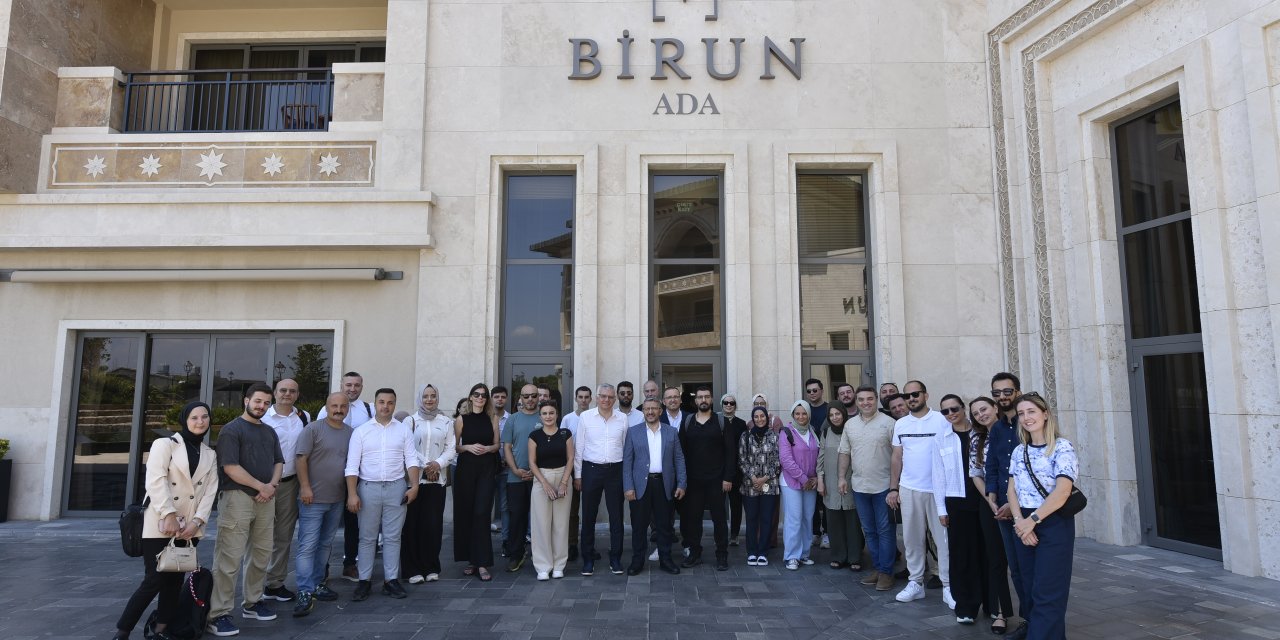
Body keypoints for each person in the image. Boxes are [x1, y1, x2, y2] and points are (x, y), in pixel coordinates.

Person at [113, 401, 218, 640]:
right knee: (154, 579)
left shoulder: (210, 454)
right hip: (160, 521)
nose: (200, 422)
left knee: (174, 581)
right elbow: (156, 480)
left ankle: (161, 630)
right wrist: (169, 514)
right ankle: (123, 630)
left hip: (189, 528)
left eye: (204, 417)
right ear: (185, 420)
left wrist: (197, 522)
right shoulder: (165, 444)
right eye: (194, 417)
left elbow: (209, 492)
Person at [208, 383, 284, 637]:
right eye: (258, 401)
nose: (261, 406)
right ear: (246, 401)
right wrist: (260, 486)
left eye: (266, 402)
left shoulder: (269, 432)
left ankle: (252, 602)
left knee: (261, 554)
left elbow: (278, 462)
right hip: (237, 498)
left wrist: (271, 486)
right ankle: (218, 614)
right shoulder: (231, 430)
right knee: (229, 559)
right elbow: (230, 467)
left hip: (266, 498)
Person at [1008, 393, 1078, 640]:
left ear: (1045, 414)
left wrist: (1032, 521)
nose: (1026, 418)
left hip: (1052, 522)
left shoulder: (1061, 447)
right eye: (1021, 413)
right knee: (1031, 589)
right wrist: (1020, 523)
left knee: (1049, 592)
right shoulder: (1019, 451)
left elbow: (1062, 492)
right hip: (1024, 524)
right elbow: (1011, 490)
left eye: (1031, 412)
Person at [345, 388, 421, 601]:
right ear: (375, 403)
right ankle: (364, 581)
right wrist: (352, 494)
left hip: (396, 487)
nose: (385, 406)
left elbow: (411, 459)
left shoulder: (403, 430)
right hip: (368, 488)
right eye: (381, 402)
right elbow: (351, 466)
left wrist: (414, 486)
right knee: (367, 537)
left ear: (394, 405)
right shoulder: (361, 431)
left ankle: (391, 580)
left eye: (390, 402)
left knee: (392, 537)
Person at [887, 380, 955, 609]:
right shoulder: (901, 424)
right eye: (907, 396)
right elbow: (897, 457)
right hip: (909, 488)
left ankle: (948, 585)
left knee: (943, 540)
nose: (911, 398)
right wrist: (894, 488)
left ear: (926, 395)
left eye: (915, 394)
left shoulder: (942, 420)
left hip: (939, 491)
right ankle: (915, 583)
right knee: (912, 539)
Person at [291, 392, 353, 617]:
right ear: (326, 407)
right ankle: (305, 591)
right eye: (334, 405)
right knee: (308, 545)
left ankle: (317, 583)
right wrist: (305, 487)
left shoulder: (350, 433)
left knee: (325, 544)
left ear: (348, 409)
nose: (339, 409)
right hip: (312, 499)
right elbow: (300, 458)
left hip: (336, 498)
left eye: (343, 406)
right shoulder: (313, 429)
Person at [838, 386, 897, 591]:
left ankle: (887, 573)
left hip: (883, 487)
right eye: (861, 399)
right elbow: (845, 452)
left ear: (877, 399)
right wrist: (841, 478)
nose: (865, 403)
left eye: (870, 399)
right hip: (860, 486)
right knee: (870, 531)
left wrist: (894, 487)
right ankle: (879, 568)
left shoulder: (889, 423)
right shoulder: (850, 425)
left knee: (885, 530)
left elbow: (899, 456)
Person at [985, 372, 1030, 637]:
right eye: (997, 393)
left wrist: (1012, 507)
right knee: (1016, 569)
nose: (1002, 397)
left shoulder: (1028, 423)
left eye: (1007, 391)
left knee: (1029, 568)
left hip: (1027, 509)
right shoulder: (999, 428)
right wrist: (992, 494)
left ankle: (1038, 621)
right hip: (1002, 507)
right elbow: (992, 464)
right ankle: (1028, 619)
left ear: (1017, 391)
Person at [317, 371, 372, 582]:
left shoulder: (369, 409)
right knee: (326, 521)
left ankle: (350, 564)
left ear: (362, 386)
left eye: (357, 385)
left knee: (353, 521)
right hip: (330, 472)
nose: (352, 389)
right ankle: (323, 567)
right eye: (348, 385)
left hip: (357, 472)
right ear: (341, 385)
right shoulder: (326, 409)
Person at [623, 397, 686, 575]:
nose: (650, 412)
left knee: (664, 525)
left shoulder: (671, 432)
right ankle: (637, 561)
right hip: (640, 485)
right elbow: (627, 462)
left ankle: (666, 560)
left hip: (664, 484)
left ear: (660, 410)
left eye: (654, 409)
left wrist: (682, 483)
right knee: (639, 526)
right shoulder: (633, 432)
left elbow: (679, 459)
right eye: (647, 409)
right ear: (643, 411)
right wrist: (628, 486)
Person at [402, 384, 457, 585]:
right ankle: (412, 569)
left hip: (437, 480)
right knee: (412, 525)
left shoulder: (446, 422)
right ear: (420, 398)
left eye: (433, 396)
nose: (429, 399)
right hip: (414, 480)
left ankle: (431, 567)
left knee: (432, 526)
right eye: (425, 396)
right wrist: (426, 465)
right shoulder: (410, 421)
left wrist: (438, 464)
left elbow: (451, 448)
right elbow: (406, 447)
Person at [937, 394, 985, 625]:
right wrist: (941, 508)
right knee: (961, 555)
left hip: (984, 500)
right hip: (956, 503)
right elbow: (938, 475)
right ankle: (965, 605)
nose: (950, 414)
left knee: (986, 553)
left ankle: (992, 603)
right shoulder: (942, 437)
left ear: (963, 408)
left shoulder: (981, 432)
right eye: (945, 411)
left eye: (954, 408)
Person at [261, 378, 309, 603]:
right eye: (283, 390)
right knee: (260, 535)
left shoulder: (303, 418)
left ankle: (274, 583)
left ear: (297, 394)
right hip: (263, 485)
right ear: (275, 393)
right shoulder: (262, 417)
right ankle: (254, 584)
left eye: (292, 391)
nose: (287, 394)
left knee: (283, 536)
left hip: (290, 484)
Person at [969, 395, 1014, 635]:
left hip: (1017, 502)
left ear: (996, 408)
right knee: (995, 560)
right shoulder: (977, 438)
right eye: (976, 413)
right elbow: (976, 473)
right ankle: (1000, 613)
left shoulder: (1012, 432)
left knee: (1020, 562)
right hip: (991, 504)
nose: (981, 415)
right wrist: (991, 501)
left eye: (984, 409)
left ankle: (1031, 611)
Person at [677, 386, 735, 571]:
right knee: (693, 519)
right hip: (693, 481)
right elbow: (681, 453)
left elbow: (731, 453)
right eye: (700, 397)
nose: (703, 399)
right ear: (695, 401)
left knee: (719, 519)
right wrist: (682, 480)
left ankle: (722, 555)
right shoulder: (687, 422)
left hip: (717, 480)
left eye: (707, 397)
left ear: (711, 400)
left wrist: (728, 477)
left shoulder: (721, 421)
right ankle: (695, 553)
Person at [574, 383, 629, 575]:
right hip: (591, 470)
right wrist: (578, 475)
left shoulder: (622, 419)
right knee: (588, 516)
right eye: (603, 396)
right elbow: (579, 447)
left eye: (610, 397)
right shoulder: (586, 417)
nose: (606, 400)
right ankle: (588, 559)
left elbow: (625, 448)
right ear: (597, 397)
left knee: (616, 517)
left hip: (615, 470)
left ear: (615, 399)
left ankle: (616, 558)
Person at [454, 383, 501, 581]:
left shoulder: (493, 418)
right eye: (477, 394)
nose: (480, 398)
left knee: (482, 512)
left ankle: (482, 562)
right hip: (466, 469)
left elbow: (497, 444)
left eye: (484, 395)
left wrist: (488, 449)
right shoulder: (461, 419)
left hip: (486, 469)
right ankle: (471, 560)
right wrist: (468, 447)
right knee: (466, 512)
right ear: (470, 397)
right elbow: (455, 447)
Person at [528, 401, 576, 580]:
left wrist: (564, 482)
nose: (548, 416)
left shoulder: (565, 433)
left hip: (563, 476)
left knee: (561, 524)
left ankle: (559, 565)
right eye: (545, 413)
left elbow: (571, 458)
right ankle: (542, 566)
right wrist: (544, 484)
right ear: (540, 416)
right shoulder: (534, 436)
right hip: (542, 478)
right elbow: (532, 462)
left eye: (551, 413)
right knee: (541, 523)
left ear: (557, 415)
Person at [817, 404, 863, 570]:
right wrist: (820, 480)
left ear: (844, 414)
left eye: (838, 413)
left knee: (853, 522)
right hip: (830, 482)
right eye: (832, 414)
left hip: (851, 481)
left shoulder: (852, 430)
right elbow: (820, 458)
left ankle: (855, 558)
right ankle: (838, 556)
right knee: (834, 522)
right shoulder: (825, 432)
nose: (835, 417)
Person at [502, 384, 541, 571]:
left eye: (534, 396)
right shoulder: (513, 419)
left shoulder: (545, 416)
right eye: (526, 396)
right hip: (516, 477)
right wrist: (516, 469)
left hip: (540, 478)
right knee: (517, 517)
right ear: (520, 398)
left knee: (540, 518)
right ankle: (516, 554)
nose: (530, 399)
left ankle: (541, 556)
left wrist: (537, 472)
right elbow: (507, 447)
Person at [778, 400, 820, 570]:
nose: (801, 417)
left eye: (804, 413)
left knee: (807, 518)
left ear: (808, 415)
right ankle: (791, 556)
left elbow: (818, 457)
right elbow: (786, 460)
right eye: (797, 414)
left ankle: (804, 554)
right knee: (794, 519)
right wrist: (804, 479)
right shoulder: (786, 432)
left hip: (811, 482)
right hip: (791, 483)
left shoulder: (812, 431)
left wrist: (816, 477)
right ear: (793, 415)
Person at [739, 406, 780, 566]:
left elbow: (777, 461)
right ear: (752, 418)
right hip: (750, 485)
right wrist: (754, 478)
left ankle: (763, 552)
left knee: (766, 519)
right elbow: (742, 459)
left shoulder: (775, 436)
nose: (759, 419)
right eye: (756, 417)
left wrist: (764, 478)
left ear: (767, 417)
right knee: (751, 519)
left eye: (762, 416)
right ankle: (752, 552)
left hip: (770, 485)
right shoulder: (745, 436)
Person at [561, 385, 592, 562]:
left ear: (591, 399)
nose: (583, 400)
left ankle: (589, 545)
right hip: (571, 467)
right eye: (580, 397)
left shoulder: (594, 416)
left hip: (590, 466)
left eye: (586, 397)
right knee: (572, 510)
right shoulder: (567, 419)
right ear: (575, 398)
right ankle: (572, 544)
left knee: (589, 509)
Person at [719, 393, 747, 547]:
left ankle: (734, 534)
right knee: (719, 505)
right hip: (719, 470)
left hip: (737, 471)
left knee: (736, 504)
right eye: (726, 402)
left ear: (735, 406)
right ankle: (722, 533)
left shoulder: (741, 424)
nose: (729, 405)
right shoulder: (716, 421)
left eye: (732, 403)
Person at [490, 386, 511, 548]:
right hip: (487, 469)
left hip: (506, 468)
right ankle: (483, 540)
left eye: (503, 397)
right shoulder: (486, 418)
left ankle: (506, 540)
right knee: (485, 504)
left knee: (505, 505)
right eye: (496, 396)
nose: (499, 399)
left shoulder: (511, 419)